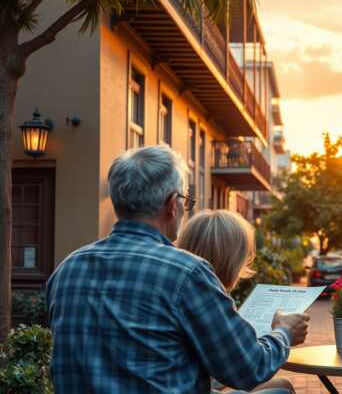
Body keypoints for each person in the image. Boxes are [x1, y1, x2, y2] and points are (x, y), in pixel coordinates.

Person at [47, 145, 309, 393]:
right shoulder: (186, 273)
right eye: (186, 200)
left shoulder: (67, 270)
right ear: (173, 205)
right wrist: (283, 332)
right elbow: (248, 368)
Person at [178, 209, 300, 394]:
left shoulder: (180, 283)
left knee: (283, 385)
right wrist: (284, 331)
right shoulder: (208, 298)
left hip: (192, 381)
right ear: (233, 258)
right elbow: (250, 369)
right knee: (282, 391)